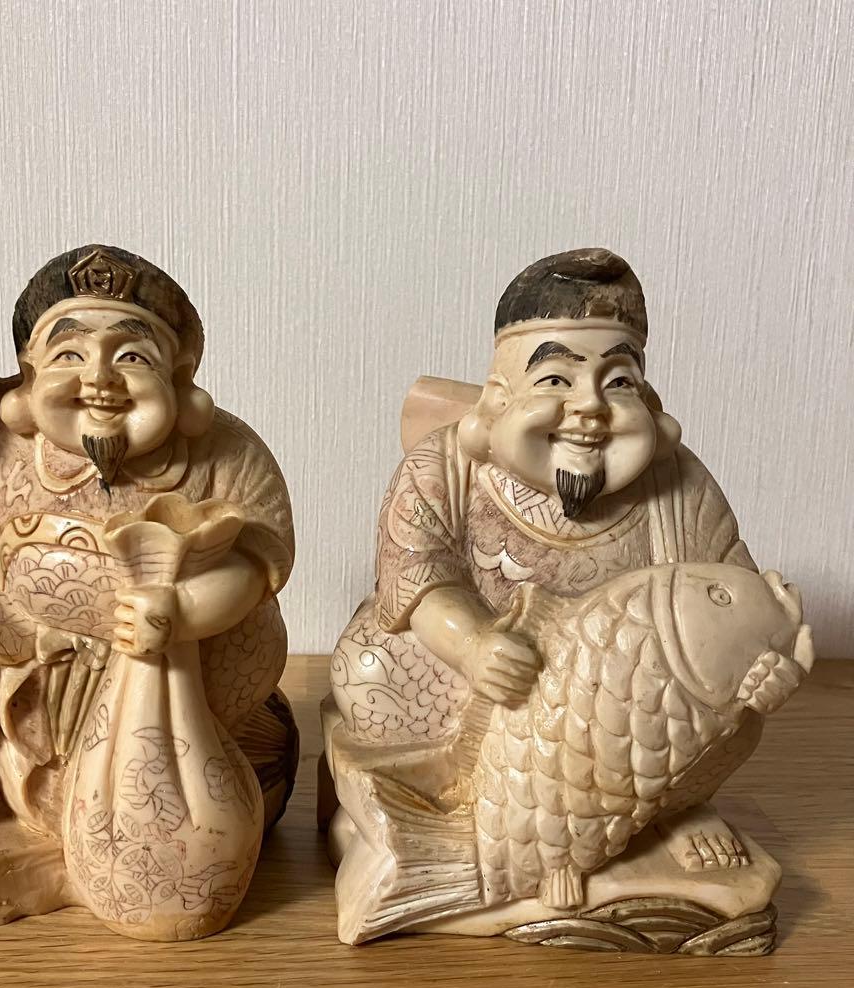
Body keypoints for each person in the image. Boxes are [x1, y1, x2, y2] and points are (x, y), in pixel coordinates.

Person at [329, 248, 802, 874]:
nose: (590, 408)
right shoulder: (442, 466)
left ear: (648, 398)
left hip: (631, 706)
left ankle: (671, 811)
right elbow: (416, 580)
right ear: (498, 399)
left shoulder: (677, 487)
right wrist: (472, 645)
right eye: (556, 380)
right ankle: (430, 802)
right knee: (369, 667)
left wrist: (766, 663)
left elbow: (740, 595)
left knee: (735, 706)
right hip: (491, 683)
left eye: (618, 382)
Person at [0, 245, 296, 840]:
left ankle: (201, 754)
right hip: (18, 623)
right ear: (27, 374)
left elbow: (259, 561)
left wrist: (186, 611)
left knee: (242, 643)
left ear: (181, 374)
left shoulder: (227, 455)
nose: (99, 380)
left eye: (132, 356)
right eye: (69, 355)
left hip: (173, 645)